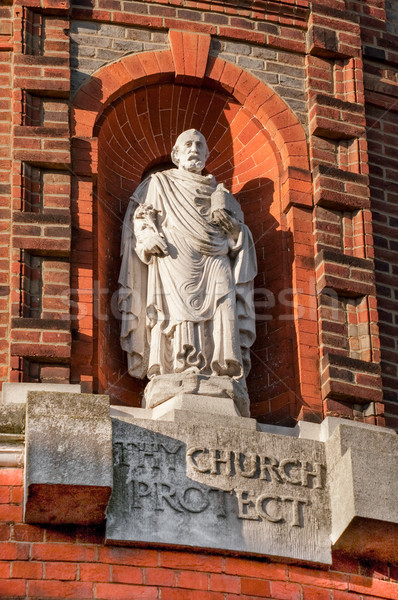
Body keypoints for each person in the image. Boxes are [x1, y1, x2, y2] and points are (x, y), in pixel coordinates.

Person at [118, 129, 257, 410]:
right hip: (173, 255)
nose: (194, 148)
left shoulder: (222, 195)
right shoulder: (158, 183)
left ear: (206, 155)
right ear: (176, 155)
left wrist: (235, 232)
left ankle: (221, 370)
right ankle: (177, 369)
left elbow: (238, 238)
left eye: (199, 145)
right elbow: (141, 216)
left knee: (223, 305)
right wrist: (147, 237)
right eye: (187, 145)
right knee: (175, 313)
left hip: (216, 257)